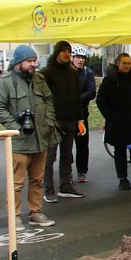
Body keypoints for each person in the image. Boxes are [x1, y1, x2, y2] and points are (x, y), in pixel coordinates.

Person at [0, 45, 56, 228]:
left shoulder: (39, 79)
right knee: (16, 182)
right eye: (29, 61)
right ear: (18, 62)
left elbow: (49, 99)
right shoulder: (5, 82)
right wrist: (15, 127)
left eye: (34, 61)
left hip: (40, 138)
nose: (33, 64)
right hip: (20, 141)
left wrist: (49, 121)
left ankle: (36, 212)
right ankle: (15, 215)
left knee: (37, 179)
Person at [96, 53, 131, 191]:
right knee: (119, 151)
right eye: (124, 63)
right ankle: (123, 179)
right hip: (116, 122)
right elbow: (101, 101)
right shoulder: (109, 80)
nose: (127, 66)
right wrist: (111, 118)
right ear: (117, 63)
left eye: (129, 63)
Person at [42, 40, 86, 202]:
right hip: (54, 120)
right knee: (50, 156)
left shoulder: (73, 73)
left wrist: (80, 118)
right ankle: (49, 189)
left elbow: (76, 97)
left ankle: (65, 186)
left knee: (67, 154)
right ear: (57, 52)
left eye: (69, 51)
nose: (67, 54)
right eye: (63, 51)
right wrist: (48, 118)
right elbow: (43, 98)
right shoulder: (47, 72)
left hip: (70, 119)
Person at [71, 45, 96, 183]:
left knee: (82, 144)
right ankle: (67, 171)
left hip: (82, 115)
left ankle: (82, 171)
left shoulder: (88, 73)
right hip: (67, 116)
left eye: (83, 58)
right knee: (66, 146)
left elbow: (92, 91)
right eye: (78, 57)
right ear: (72, 58)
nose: (80, 60)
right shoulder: (66, 72)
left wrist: (76, 99)